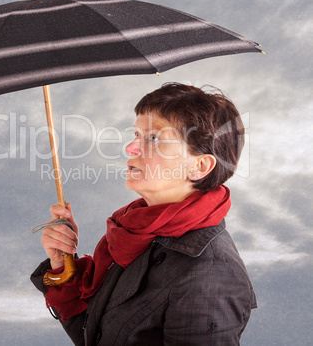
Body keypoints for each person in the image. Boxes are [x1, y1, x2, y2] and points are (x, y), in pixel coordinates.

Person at [31, 82, 257, 345]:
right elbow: (93, 337)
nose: (131, 148)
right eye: (136, 134)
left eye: (153, 138)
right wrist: (63, 264)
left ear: (199, 166)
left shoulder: (211, 273)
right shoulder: (134, 237)